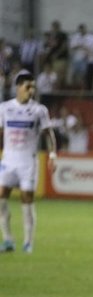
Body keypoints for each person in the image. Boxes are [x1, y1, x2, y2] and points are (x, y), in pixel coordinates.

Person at [0, 70, 57, 254]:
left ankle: (28, 242)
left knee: (27, 200)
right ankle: (8, 239)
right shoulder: (4, 108)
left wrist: (53, 155)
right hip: (8, 161)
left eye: (33, 86)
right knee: (1, 199)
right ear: (18, 87)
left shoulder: (39, 110)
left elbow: (49, 133)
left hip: (28, 163)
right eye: (27, 86)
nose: (31, 90)